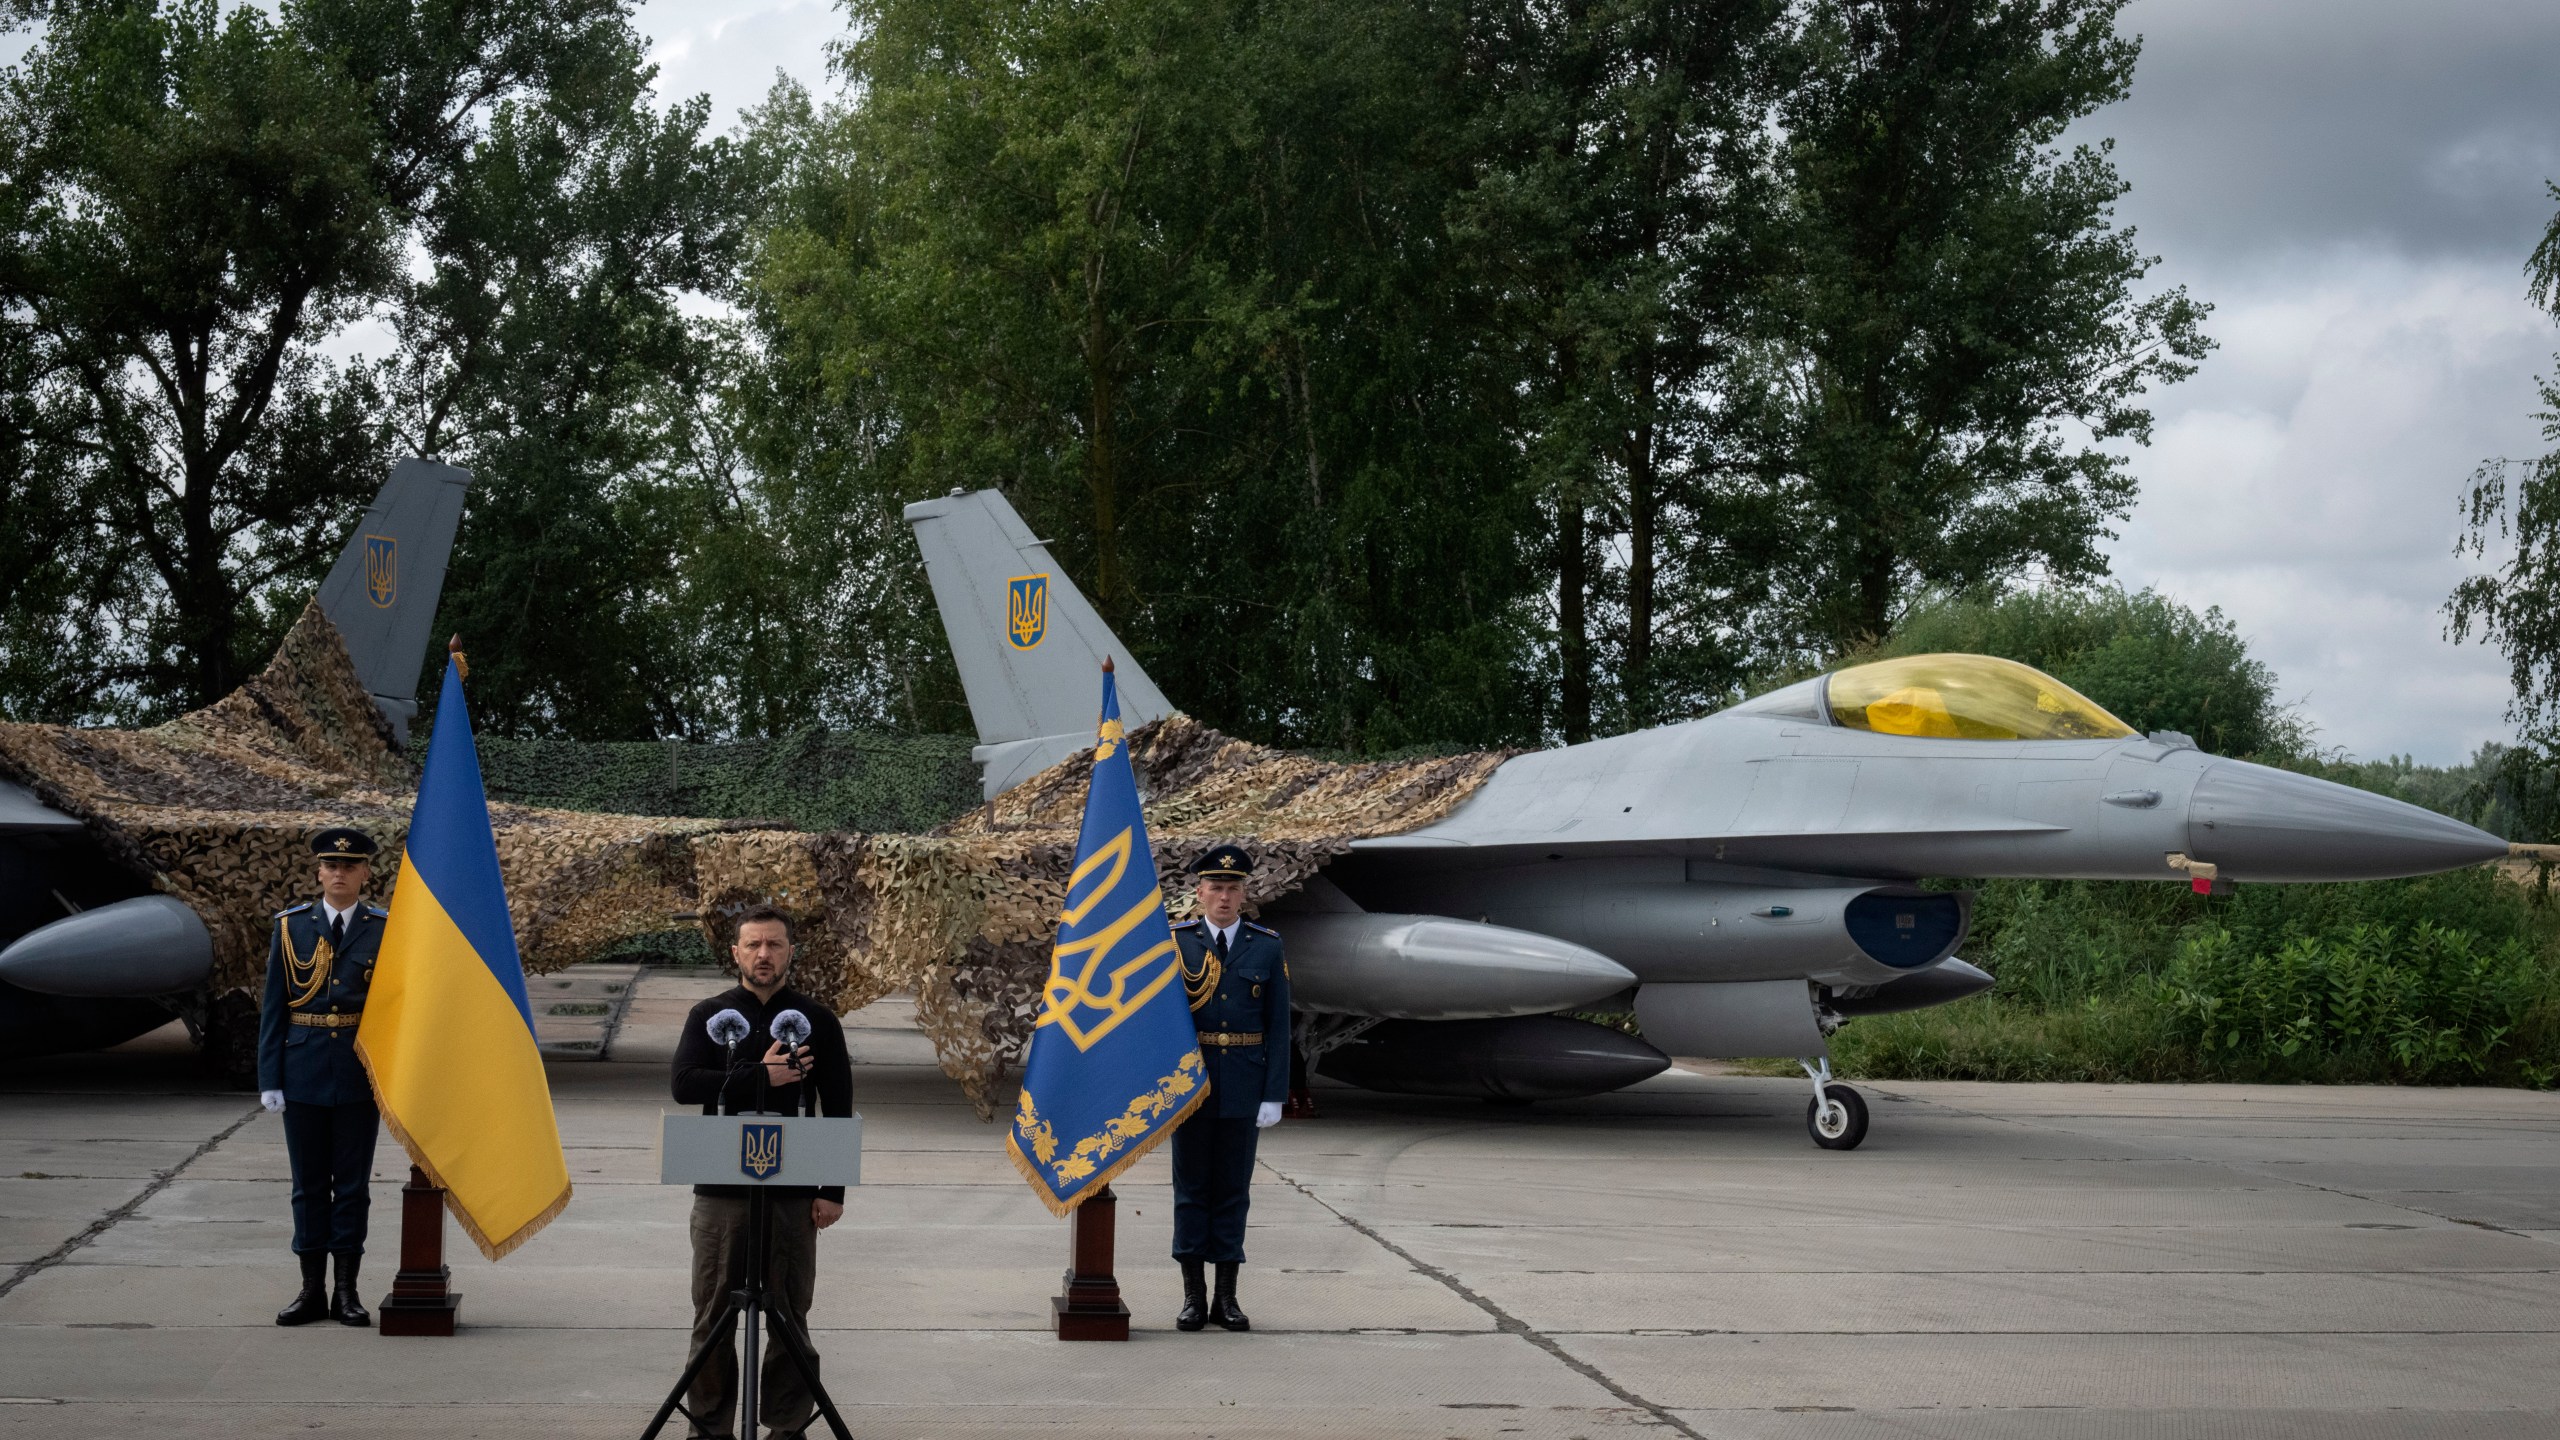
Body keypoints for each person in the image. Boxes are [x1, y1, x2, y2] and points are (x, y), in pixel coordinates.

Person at [670, 906, 853, 1440]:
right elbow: (684, 1084)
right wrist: (761, 1077)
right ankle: (709, 1427)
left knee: (790, 1316)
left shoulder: (818, 1020)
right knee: (713, 1314)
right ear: (736, 953)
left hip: (794, 1194)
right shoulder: (710, 1013)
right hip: (722, 1191)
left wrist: (832, 1189)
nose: (763, 955)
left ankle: (787, 1427)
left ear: (791, 951)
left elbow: (837, 1104)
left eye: (774, 945)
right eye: (753, 945)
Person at [256, 826, 387, 1327]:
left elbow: (395, 1007)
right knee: (308, 1184)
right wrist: (270, 1077)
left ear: (365, 873)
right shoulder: (291, 926)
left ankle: (347, 1293)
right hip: (303, 1067)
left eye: (350, 867)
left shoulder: (383, 927)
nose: (340, 873)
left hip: (358, 1070)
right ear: (318, 872)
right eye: (331, 866)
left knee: (351, 1186)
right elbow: (274, 1008)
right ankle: (311, 1289)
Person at [1167, 844, 1290, 1332]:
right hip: (1191, 1084)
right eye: (1215, 888)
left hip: (1243, 1083)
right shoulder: (1177, 942)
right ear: (1199, 892)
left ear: (1244, 894)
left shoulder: (1266, 945)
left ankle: (1228, 1298)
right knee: (1191, 1189)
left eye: (1232, 889)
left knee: (1233, 1192)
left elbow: (1278, 1024)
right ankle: (1194, 1298)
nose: (1223, 897)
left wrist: (1274, 1092)